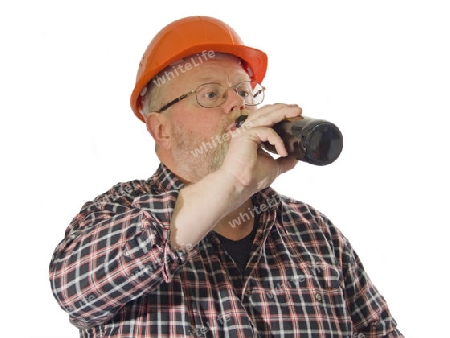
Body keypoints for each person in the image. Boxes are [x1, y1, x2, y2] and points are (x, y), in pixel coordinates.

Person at [49, 16, 403, 337]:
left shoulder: (315, 233)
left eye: (244, 91)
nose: (238, 105)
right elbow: (73, 290)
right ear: (162, 129)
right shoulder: (116, 211)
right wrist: (231, 182)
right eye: (211, 94)